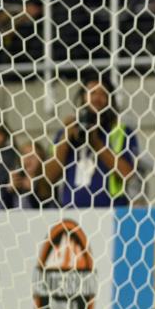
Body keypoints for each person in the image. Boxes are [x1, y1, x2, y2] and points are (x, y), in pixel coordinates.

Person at [44, 70, 139, 208]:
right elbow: (48, 178)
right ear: (83, 97)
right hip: (71, 216)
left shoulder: (121, 132)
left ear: (110, 101)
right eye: (92, 93)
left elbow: (128, 175)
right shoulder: (66, 132)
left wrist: (97, 144)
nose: (97, 98)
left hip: (110, 215)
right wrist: (65, 139)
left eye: (103, 94)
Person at [9, 140, 55, 208]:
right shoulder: (14, 178)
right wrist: (9, 191)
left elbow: (48, 209)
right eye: (24, 154)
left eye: (33, 155)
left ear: (42, 158)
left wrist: (32, 191)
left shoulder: (50, 180)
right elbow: (0, 209)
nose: (28, 158)